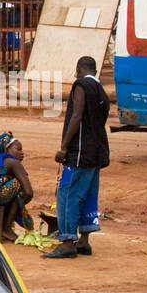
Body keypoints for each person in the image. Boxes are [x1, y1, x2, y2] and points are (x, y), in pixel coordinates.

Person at [45, 56, 109, 259]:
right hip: (96, 152)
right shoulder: (102, 91)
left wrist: (63, 147)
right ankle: (84, 241)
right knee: (88, 194)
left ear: (80, 70)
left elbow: (77, 116)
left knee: (67, 194)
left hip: (80, 153)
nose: (75, 75)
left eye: (76, 71)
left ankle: (66, 242)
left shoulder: (81, 85)